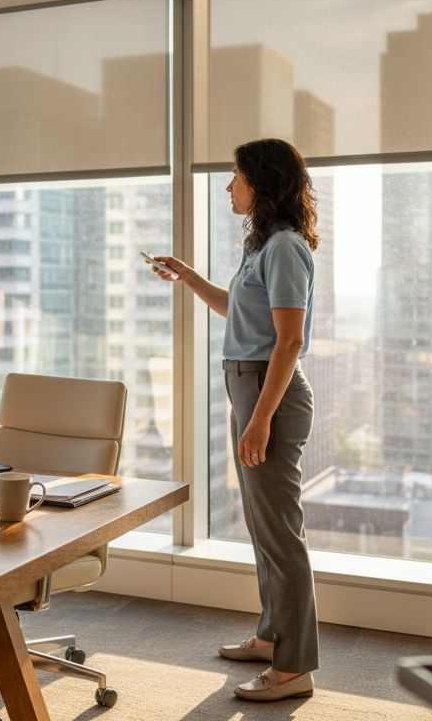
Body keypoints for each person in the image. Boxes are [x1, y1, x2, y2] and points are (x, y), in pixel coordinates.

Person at [151, 138, 319, 702]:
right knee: (262, 526)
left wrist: (261, 418)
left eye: (236, 177)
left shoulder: (286, 248)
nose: (229, 186)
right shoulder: (262, 245)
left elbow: (289, 340)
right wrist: (187, 275)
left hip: (269, 393)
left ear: (261, 183)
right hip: (247, 387)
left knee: (280, 533)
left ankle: (295, 668)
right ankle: (273, 638)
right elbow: (236, 309)